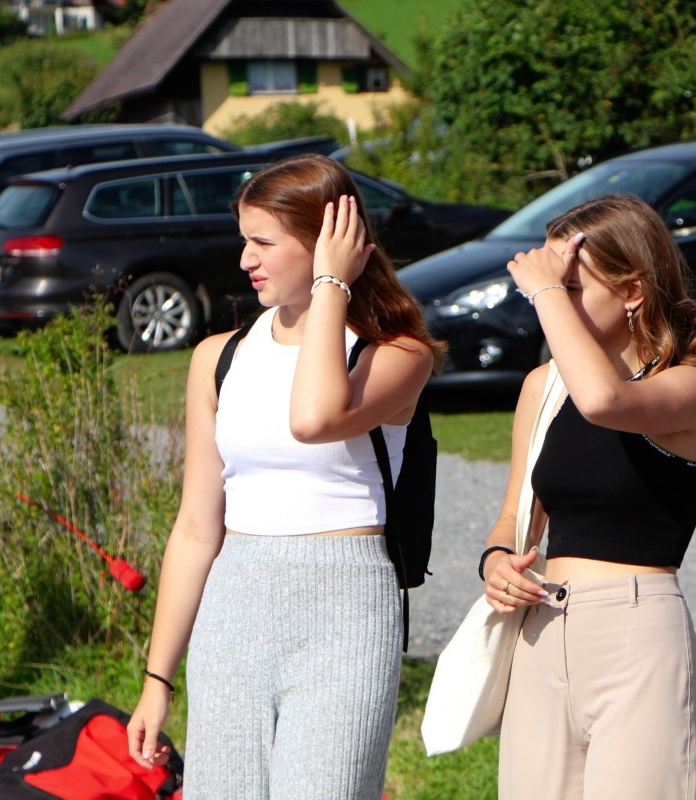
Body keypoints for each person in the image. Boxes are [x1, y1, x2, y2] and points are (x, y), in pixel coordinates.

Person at [125, 154, 442, 799]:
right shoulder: (218, 358)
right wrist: (158, 680)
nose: (246, 259)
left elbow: (315, 417)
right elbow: (196, 529)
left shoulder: (396, 353)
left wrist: (331, 286)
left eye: (263, 242)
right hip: (234, 608)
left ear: (328, 242)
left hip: (346, 610)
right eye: (245, 240)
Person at [480, 193, 696, 799]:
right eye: (553, 287)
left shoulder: (692, 385)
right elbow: (515, 516)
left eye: (572, 286)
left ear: (633, 291)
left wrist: (546, 292)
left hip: (636, 635)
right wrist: (496, 563)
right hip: (542, 629)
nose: (553, 300)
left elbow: (605, 402)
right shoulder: (543, 387)